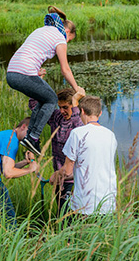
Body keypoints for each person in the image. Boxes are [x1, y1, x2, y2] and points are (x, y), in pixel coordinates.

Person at [6, 5, 85, 156]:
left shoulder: (41, 30)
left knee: (43, 98)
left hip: (12, 73)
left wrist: (35, 73)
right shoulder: (59, 37)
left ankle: (30, 137)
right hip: (23, 73)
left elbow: (31, 52)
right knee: (51, 99)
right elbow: (65, 69)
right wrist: (77, 88)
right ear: (67, 31)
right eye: (69, 39)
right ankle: (33, 137)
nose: (67, 42)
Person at [50, 96, 117, 217]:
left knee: (74, 231)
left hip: (85, 203)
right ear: (100, 113)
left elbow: (67, 170)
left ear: (82, 111)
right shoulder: (110, 135)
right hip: (108, 201)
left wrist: (56, 175)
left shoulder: (77, 133)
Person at [29, 69, 85, 215]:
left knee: (72, 213)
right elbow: (35, 105)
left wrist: (75, 103)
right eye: (59, 107)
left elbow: (75, 118)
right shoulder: (56, 117)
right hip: (58, 175)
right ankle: (63, 236)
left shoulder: (79, 123)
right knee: (61, 211)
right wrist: (38, 81)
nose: (61, 111)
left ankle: (72, 236)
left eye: (65, 107)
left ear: (74, 105)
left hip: (74, 178)